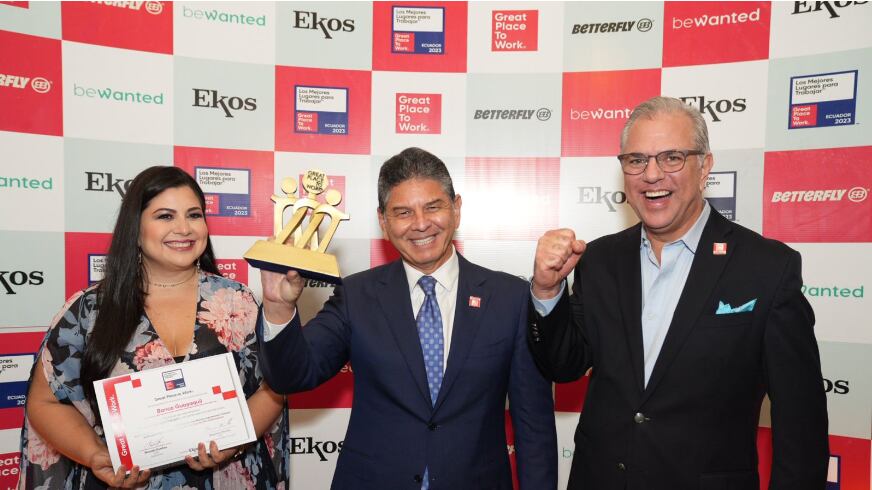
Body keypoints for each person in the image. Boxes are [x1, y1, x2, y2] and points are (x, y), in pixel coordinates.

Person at [528, 97, 829, 489]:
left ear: (704, 166)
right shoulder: (599, 259)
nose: (651, 175)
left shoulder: (767, 269)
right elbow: (565, 366)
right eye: (636, 160)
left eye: (671, 157)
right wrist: (547, 291)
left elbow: (801, 427)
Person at [258, 147, 557, 489]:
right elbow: (292, 375)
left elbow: (533, 423)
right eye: (403, 212)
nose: (420, 224)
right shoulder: (357, 295)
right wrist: (278, 307)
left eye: (433, 207)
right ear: (383, 222)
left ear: (456, 209)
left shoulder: (510, 298)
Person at [18, 166, 288, 489]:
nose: (184, 228)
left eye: (194, 215)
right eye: (165, 216)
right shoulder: (89, 310)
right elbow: (45, 403)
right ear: (135, 228)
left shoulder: (239, 302)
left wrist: (236, 438)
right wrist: (94, 455)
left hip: (228, 477)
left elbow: (275, 387)